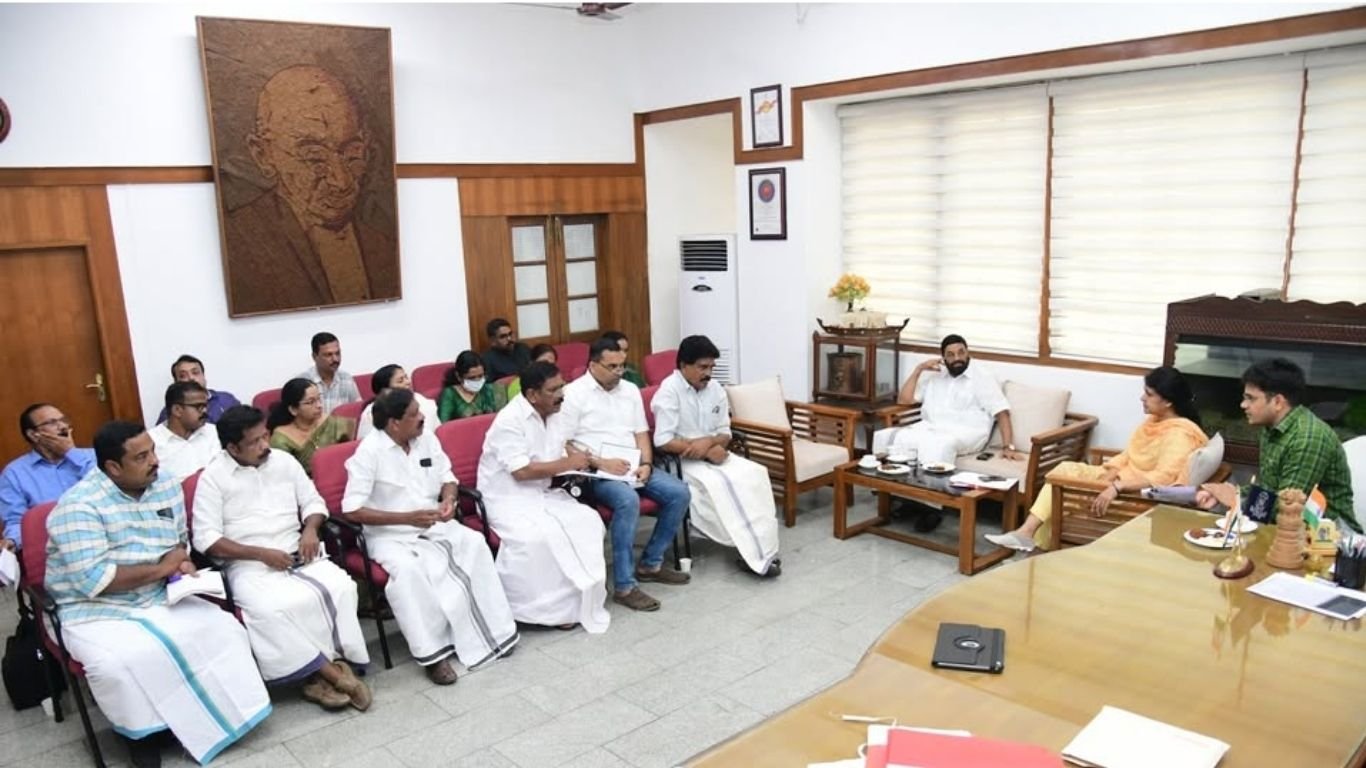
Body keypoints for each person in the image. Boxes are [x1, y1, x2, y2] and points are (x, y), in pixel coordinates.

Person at [45, 421, 270, 767]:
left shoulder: (164, 484)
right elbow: (95, 580)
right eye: (141, 457)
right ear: (113, 467)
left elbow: (177, 541)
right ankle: (142, 734)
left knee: (224, 630)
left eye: (152, 450)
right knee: (120, 663)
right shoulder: (78, 507)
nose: (155, 461)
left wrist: (181, 563)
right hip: (94, 607)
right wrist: (165, 567)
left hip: (157, 593)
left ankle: (219, 712)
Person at [192, 406, 372, 711]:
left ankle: (318, 676)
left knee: (341, 587)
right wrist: (259, 554)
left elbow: (313, 502)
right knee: (270, 609)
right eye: (255, 442)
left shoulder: (284, 462)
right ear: (232, 448)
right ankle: (331, 675)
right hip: (248, 564)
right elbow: (205, 539)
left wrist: (310, 530)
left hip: (298, 550)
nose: (265, 445)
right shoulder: (213, 478)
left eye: (265, 436)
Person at [342, 388, 518, 685]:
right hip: (388, 535)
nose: (423, 417)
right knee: (409, 572)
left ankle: (494, 631)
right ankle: (433, 655)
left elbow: (448, 477)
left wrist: (449, 500)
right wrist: (406, 518)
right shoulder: (369, 453)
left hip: (431, 522)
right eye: (414, 414)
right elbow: (352, 510)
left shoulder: (426, 439)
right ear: (394, 424)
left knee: (474, 543)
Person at [225, 65, 398, 315]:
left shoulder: (383, 243)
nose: (341, 181)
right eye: (314, 157)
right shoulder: (241, 241)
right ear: (263, 155)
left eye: (352, 154)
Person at [987, 366, 1210, 552]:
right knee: (1064, 469)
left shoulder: (1180, 435)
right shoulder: (1155, 421)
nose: (1142, 398)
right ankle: (1026, 532)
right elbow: (1130, 454)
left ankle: (1031, 539)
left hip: (1135, 497)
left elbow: (1164, 478)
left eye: (1149, 394)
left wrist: (1117, 486)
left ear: (1168, 401)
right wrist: (1111, 472)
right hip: (1120, 480)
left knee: (1063, 486)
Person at [560, 336, 691, 612]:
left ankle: (651, 563)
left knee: (679, 492)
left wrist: (646, 463)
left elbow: (641, 432)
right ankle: (625, 586)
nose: (619, 372)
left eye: (622, 366)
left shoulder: (630, 389)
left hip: (632, 466)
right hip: (595, 472)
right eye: (612, 367)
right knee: (627, 500)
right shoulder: (572, 394)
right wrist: (601, 463)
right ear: (592, 365)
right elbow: (563, 443)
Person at [478, 362, 611, 632]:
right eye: (553, 390)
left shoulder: (555, 412)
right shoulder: (509, 421)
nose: (561, 394)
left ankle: (578, 601)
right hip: (507, 499)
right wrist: (567, 464)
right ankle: (541, 611)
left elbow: (559, 452)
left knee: (587, 520)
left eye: (562, 386)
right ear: (532, 394)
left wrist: (578, 466)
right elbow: (522, 471)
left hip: (542, 493)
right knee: (535, 539)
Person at [652, 335, 782, 577]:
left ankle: (766, 549)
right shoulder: (669, 392)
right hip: (682, 460)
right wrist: (701, 448)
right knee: (721, 487)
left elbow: (725, 432)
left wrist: (709, 443)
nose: (708, 373)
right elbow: (663, 440)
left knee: (755, 474)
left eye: (711, 367)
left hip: (714, 453)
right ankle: (750, 551)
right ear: (683, 365)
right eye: (702, 367)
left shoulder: (715, 389)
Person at [869, 334, 1022, 532]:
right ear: (944, 357)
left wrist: (1008, 446)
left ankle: (931, 508)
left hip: (968, 432)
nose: (957, 358)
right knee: (890, 436)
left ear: (967, 353)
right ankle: (902, 498)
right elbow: (904, 400)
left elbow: (1002, 413)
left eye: (961, 353)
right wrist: (919, 369)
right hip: (931, 427)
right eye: (950, 354)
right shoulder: (936, 375)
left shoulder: (982, 377)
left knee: (939, 445)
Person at [1197, 358, 1358, 531]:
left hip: (1328, 537)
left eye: (1251, 399)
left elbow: (1288, 507)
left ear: (1278, 402)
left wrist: (1235, 499)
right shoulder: (1271, 428)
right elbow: (1268, 491)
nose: (1243, 405)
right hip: (1286, 529)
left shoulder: (1308, 438)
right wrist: (1221, 492)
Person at [0, 404, 95, 551]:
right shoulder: (14, 474)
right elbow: (18, 522)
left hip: (102, 535)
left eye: (63, 420)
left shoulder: (92, 457)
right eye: (52, 422)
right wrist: (12, 541)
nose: (63, 426)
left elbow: (109, 488)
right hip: (54, 547)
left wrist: (70, 452)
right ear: (33, 435)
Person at [267, 378, 355, 476]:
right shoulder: (281, 439)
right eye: (311, 402)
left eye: (319, 399)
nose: (319, 405)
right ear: (293, 409)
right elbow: (285, 475)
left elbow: (355, 445)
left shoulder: (329, 422)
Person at [148, 381, 220, 481]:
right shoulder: (151, 442)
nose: (205, 411)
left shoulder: (213, 432)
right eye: (199, 407)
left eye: (205, 406)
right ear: (177, 410)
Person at [357, 363, 440, 440]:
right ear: (385, 391)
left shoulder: (421, 400)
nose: (408, 382)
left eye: (406, 377)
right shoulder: (370, 414)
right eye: (400, 381)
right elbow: (367, 441)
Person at [154, 355, 241, 424]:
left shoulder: (226, 399)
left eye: (195, 373)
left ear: (203, 376)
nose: (191, 378)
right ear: (176, 383)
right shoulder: (172, 410)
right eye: (183, 376)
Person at [297, 332, 361, 414]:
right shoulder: (302, 382)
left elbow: (358, 410)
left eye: (337, 353)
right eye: (328, 355)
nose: (335, 359)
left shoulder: (346, 379)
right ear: (314, 356)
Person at [438, 351, 506, 422]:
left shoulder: (493, 390)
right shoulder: (450, 394)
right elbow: (443, 424)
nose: (477, 380)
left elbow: (504, 418)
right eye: (471, 378)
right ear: (458, 376)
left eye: (480, 376)